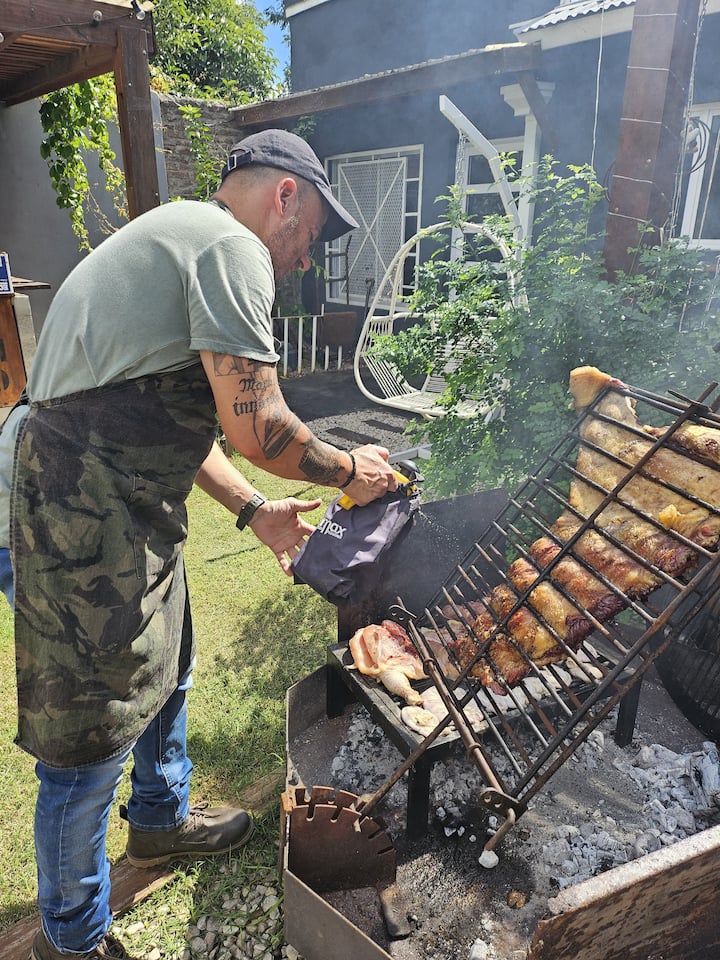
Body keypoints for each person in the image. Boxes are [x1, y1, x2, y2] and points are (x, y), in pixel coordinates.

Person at [0, 128, 397, 960]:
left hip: (114, 502)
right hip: (71, 512)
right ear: (285, 195)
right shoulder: (228, 247)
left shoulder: (182, 233)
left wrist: (254, 512)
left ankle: (160, 820)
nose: (303, 262)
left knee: (168, 659)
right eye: (315, 236)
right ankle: (70, 939)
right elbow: (263, 427)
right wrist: (350, 469)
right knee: (90, 730)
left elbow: (196, 423)